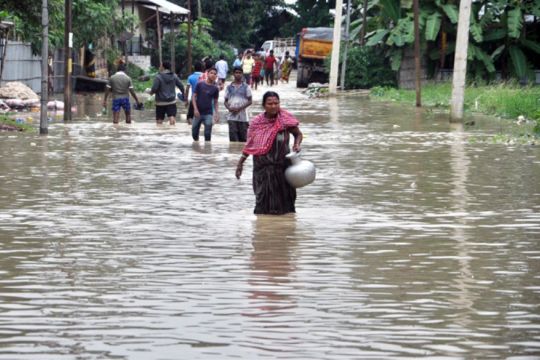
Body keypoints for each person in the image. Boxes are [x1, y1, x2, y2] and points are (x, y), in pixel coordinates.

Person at [235, 91, 303, 215]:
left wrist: (296, 144)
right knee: (262, 203)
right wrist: (240, 163)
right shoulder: (257, 123)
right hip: (262, 169)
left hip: (283, 168)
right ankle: (262, 230)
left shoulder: (285, 120)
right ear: (264, 105)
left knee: (286, 203)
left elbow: (298, 134)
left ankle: (285, 231)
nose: (273, 106)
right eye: (270, 103)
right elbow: (250, 145)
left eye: (276, 103)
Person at [149, 61, 186, 125]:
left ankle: (159, 131)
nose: (159, 67)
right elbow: (181, 86)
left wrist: (151, 93)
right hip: (171, 101)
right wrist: (183, 94)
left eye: (160, 66)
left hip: (160, 102)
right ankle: (172, 131)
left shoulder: (158, 77)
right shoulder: (174, 76)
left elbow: (154, 89)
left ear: (163, 67)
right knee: (171, 116)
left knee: (159, 119)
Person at [224, 67, 253, 142]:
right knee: (233, 141)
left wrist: (240, 108)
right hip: (231, 117)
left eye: (240, 73)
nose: (238, 74)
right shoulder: (229, 87)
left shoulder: (246, 87)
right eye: (236, 72)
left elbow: (250, 101)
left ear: (242, 74)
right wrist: (229, 108)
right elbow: (225, 101)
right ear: (233, 74)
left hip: (243, 117)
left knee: (243, 140)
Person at [192, 67, 220, 141]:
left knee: (207, 134)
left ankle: (207, 150)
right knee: (194, 134)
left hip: (208, 113)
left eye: (215, 74)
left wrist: (217, 113)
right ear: (207, 74)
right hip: (198, 112)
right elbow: (193, 97)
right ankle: (196, 149)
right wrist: (195, 109)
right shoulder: (200, 84)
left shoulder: (215, 88)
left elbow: (216, 102)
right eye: (211, 73)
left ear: (216, 76)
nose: (213, 75)